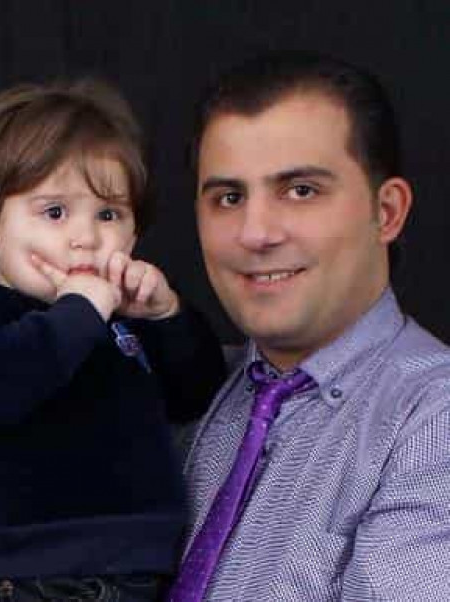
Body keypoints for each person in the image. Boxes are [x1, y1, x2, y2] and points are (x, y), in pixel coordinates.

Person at [0, 79, 226, 601]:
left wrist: (167, 316)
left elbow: (197, 392)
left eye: (108, 215)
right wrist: (80, 310)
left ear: (133, 233)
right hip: (41, 577)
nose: (85, 238)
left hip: (143, 572)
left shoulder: (121, 317)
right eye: (55, 213)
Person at [170, 52, 450, 601]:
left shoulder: (431, 424)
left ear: (387, 212)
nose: (256, 233)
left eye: (300, 190)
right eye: (229, 198)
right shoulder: (185, 392)